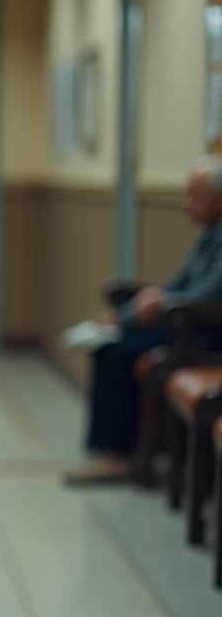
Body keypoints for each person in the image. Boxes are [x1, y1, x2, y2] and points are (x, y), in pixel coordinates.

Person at [65, 155, 222, 483]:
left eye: (194, 195)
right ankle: (119, 450)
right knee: (112, 341)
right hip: (185, 324)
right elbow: (178, 282)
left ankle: (115, 457)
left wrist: (161, 302)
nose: (185, 202)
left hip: (205, 334)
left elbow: (208, 295)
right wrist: (123, 316)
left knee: (115, 352)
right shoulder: (209, 233)